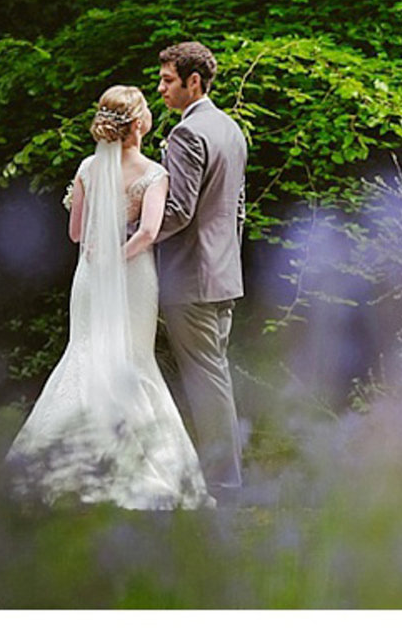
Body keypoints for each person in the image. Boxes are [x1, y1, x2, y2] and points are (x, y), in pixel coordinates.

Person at [5, 86, 212, 510]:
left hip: (90, 274)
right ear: (138, 123)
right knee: (133, 360)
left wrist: (103, 255)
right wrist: (120, 257)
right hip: (133, 275)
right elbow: (150, 233)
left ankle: (62, 463)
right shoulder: (154, 173)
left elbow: (77, 234)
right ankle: (140, 459)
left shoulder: (87, 168)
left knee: (84, 353)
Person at [152, 41, 250, 494]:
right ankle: (225, 478)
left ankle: (225, 483)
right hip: (222, 273)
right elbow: (239, 208)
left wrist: (130, 234)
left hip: (191, 276)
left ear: (194, 82)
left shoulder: (187, 134)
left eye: (168, 80)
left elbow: (178, 211)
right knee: (214, 374)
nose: (161, 89)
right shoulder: (231, 130)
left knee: (206, 380)